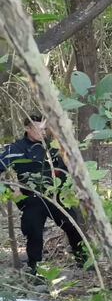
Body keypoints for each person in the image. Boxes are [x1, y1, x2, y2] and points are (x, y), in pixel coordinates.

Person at [0, 115, 85, 274]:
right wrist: (11, 191)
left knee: (72, 225)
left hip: (55, 195)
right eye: (38, 129)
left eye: (44, 129)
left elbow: (66, 168)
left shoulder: (52, 146)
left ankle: (83, 259)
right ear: (27, 128)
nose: (42, 132)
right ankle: (34, 267)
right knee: (34, 231)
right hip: (31, 198)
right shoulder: (16, 149)